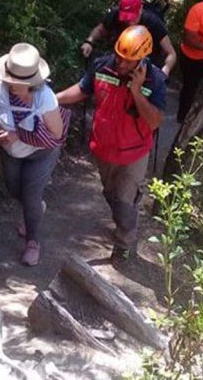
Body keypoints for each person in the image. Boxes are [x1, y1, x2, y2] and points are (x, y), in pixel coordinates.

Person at [58, 25, 166, 260]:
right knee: (110, 195)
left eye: (128, 60)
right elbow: (82, 89)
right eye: (119, 56)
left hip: (133, 155)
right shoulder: (102, 65)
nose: (121, 63)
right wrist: (53, 100)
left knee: (125, 203)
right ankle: (121, 224)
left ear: (142, 58)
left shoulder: (154, 80)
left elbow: (155, 121)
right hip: (104, 148)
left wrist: (137, 91)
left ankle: (125, 243)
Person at [0, 43, 69, 266]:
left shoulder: (45, 97)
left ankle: (32, 242)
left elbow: (56, 132)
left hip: (42, 152)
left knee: (30, 194)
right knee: (14, 190)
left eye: (17, 83)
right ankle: (34, 209)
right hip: (11, 153)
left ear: (31, 83)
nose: (10, 84)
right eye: (9, 79)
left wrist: (17, 134)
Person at [80, 0, 177, 77]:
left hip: (146, 65)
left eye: (132, 18)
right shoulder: (115, 15)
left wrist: (164, 71)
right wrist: (89, 41)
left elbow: (171, 54)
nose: (129, 22)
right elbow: (101, 29)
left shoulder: (153, 23)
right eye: (125, 18)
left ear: (140, 9)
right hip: (121, 61)